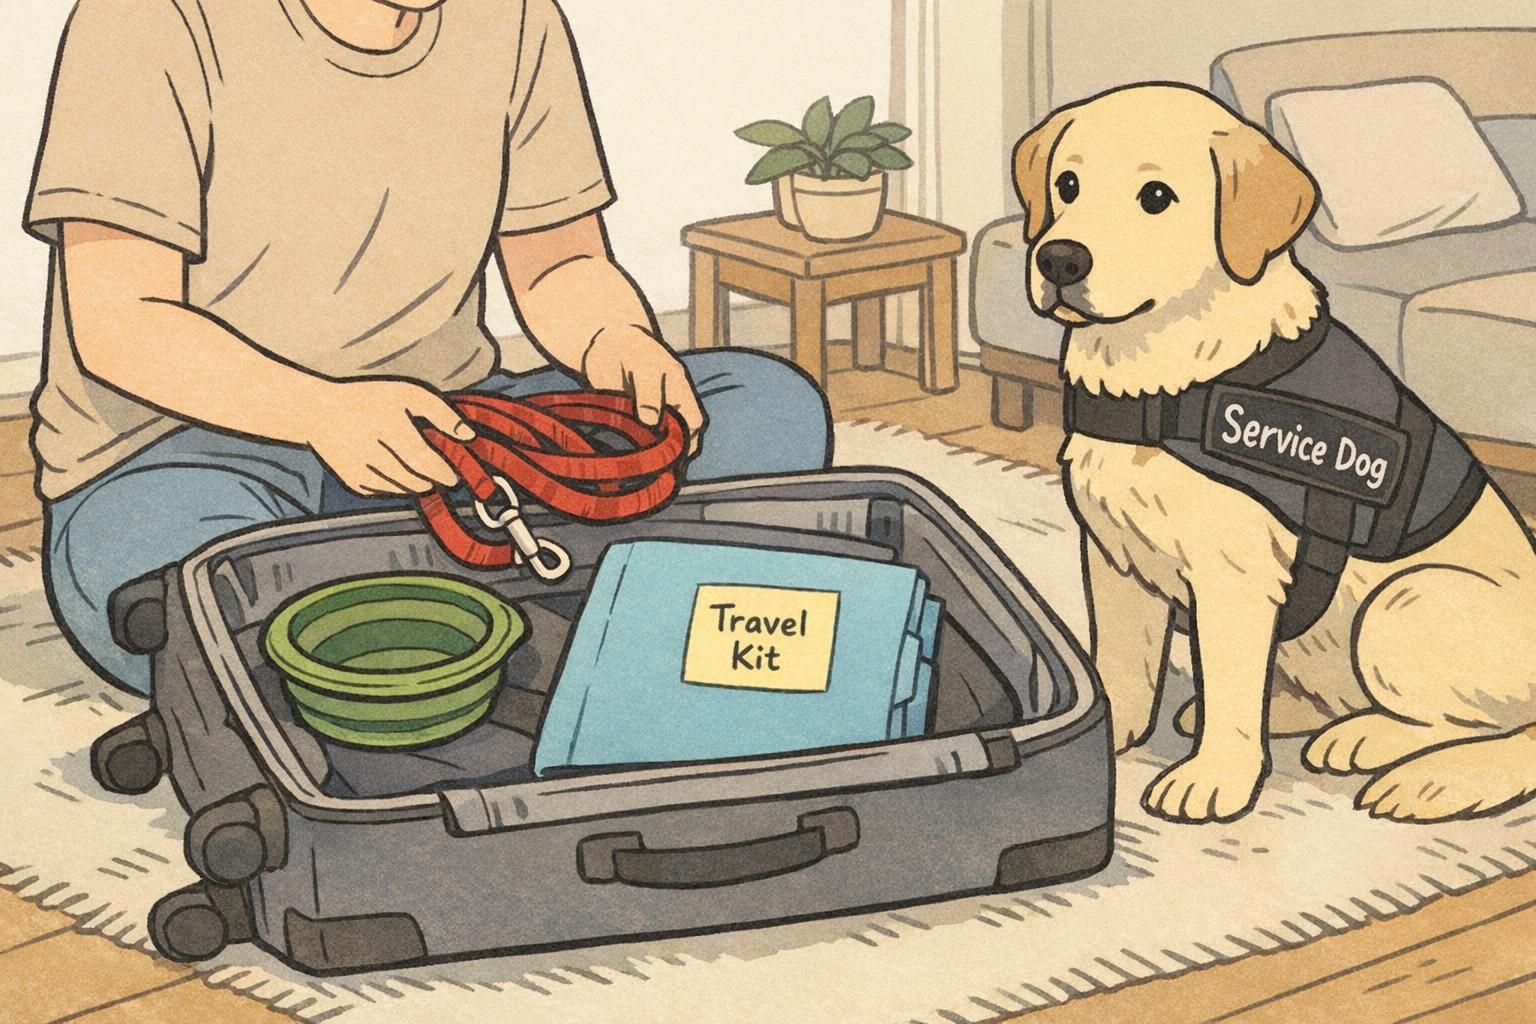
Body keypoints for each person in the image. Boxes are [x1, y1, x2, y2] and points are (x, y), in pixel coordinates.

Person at [24, 0, 832, 694]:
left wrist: (614, 337)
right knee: (178, 573)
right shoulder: (149, 19)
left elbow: (559, 264)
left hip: (451, 434)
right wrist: (321, 413)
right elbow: (123, 324)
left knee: (765, 405)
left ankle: (443, 621)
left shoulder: (515, 18)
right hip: (188, 452)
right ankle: (552, 608)